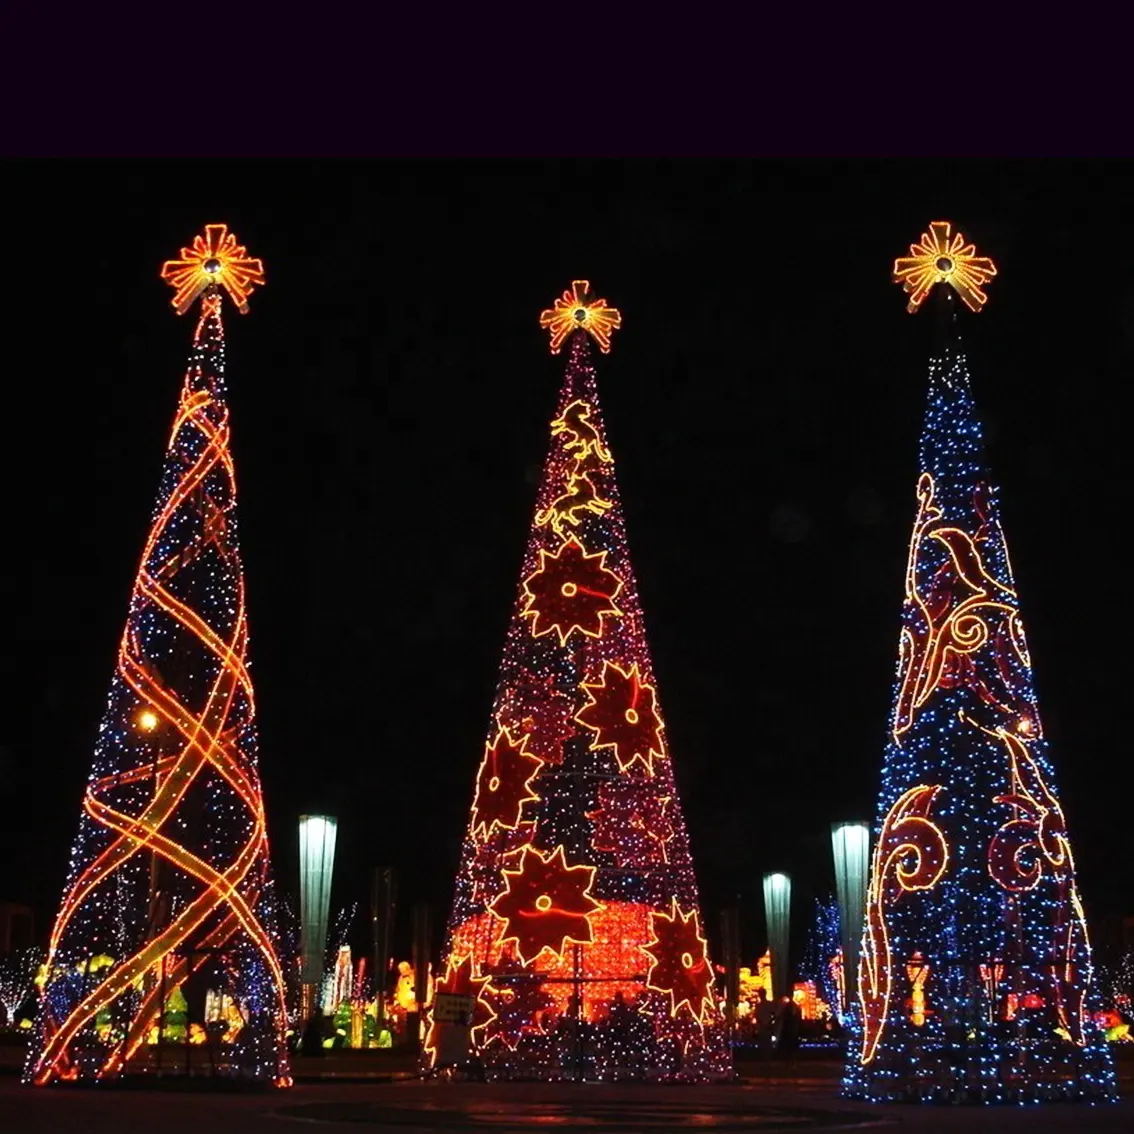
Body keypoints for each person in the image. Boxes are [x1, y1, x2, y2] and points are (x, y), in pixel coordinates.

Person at [776, 994, 800, 1060]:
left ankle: (791, 1061)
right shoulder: (785, 1006)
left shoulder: (794, 1006)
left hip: (791, 1029)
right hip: (787, 1029)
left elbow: (796, 1017)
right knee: (788, 1046)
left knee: (791, 1046)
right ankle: (788, 1061)